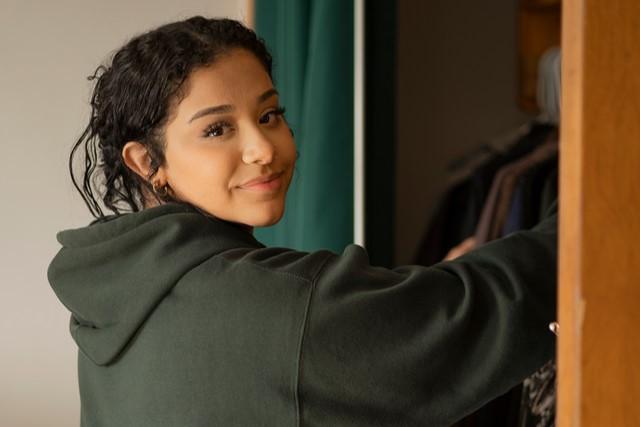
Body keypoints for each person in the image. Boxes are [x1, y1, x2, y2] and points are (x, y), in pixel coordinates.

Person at [47, 16, 557, 427]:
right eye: (218, 129)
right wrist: (594, 218)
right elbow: (494, 304)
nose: (263, 148)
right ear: (146, 162)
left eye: (269, 115)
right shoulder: (279, 306)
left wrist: (424, 292)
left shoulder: (111, 306)